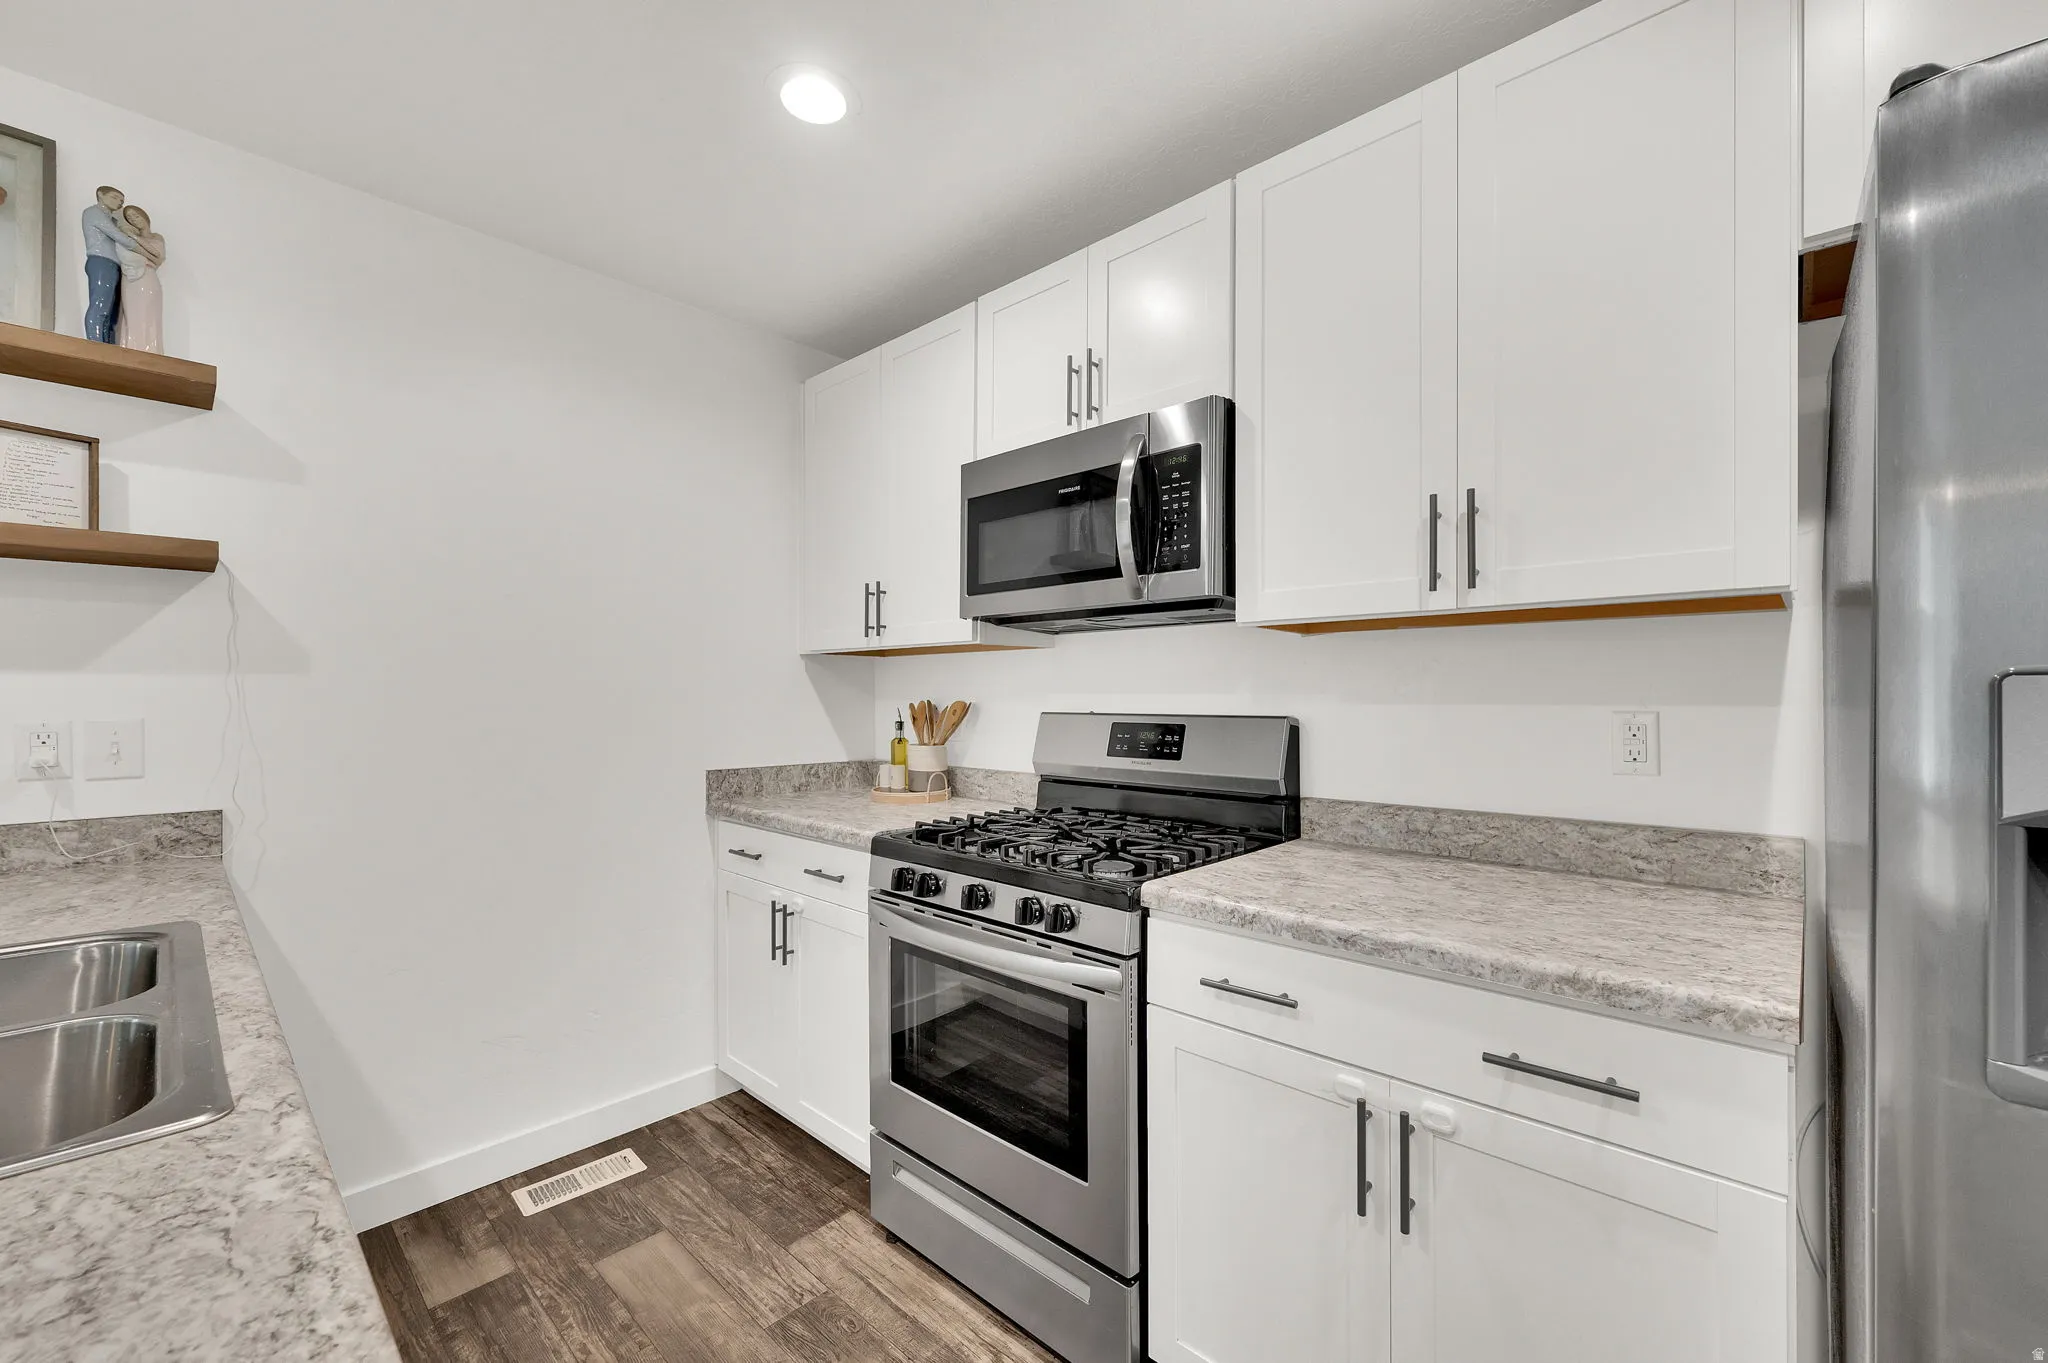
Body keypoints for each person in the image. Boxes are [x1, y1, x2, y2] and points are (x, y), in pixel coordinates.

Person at [81, 185, 133, 344]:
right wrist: (145, 248)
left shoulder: (113, 219)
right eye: (115, 197)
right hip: (101, 260)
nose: (119, 202)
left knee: (113, 313)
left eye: (121, 201)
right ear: (100, 195)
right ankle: (96, 344)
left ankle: (108, 348)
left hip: (114, 264)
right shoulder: (93, 212)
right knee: (100, 305)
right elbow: (117, 235)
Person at [113, 204, 165, 354]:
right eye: (130, 218)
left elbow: (159, 257)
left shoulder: (156, 237)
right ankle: (132, 350)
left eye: (136, 216)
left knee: (150, 314)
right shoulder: (125, 237)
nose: (134, 220)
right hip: (130, 278)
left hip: (148, 277)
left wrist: (134, 238)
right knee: (131, 314)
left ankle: (151, 351)